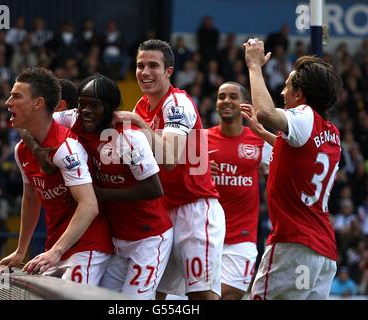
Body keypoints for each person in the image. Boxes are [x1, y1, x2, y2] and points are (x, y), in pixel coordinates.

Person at [25, 74, 173, 299]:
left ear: (110, 108)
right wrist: (36, 150)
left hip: (148, 238)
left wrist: (101, 194)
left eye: (94, 105)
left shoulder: (128, 137)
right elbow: (31, 123)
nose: (85, 110)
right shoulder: (74, 118)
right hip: (117, 239)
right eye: (82, 103)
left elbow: (154, 188)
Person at [113, 39, 225, 300]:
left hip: (195, 209)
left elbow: (169, 157)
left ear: (169, 72)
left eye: (153, 65)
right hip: (163, 213)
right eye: (140, 65)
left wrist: (139, 124)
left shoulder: (177, 104)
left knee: (202, 295)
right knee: (156, 294)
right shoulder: (140, 106)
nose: (145, 72)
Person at [243, 38, 343, 299]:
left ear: (299, 94)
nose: (282, 93)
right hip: (323, 253)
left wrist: (254, 66)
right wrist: (264, 134)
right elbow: (301, 155)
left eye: (287, 87)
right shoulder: (332, 134)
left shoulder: (304, 115)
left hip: (294, 245)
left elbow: (264, 111)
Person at [0, 67, 113, 286]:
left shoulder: (66, 148)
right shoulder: (22, 150)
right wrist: (21, 251)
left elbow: (89, 206)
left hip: (86, 247)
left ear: (38, 103)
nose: (8, 102)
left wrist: (57, 251)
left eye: (16, 96)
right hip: (56, 248)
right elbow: (31, 198)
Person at [208, 81, 274, 300]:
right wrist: (197, 171)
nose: (226, 101)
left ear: (244, 105)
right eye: (221, 96)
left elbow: (279, 178)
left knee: (226, 296)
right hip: (205, 236)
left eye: (233, 96)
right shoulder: (200, 141)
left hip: (242, 238)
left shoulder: (259, 141)